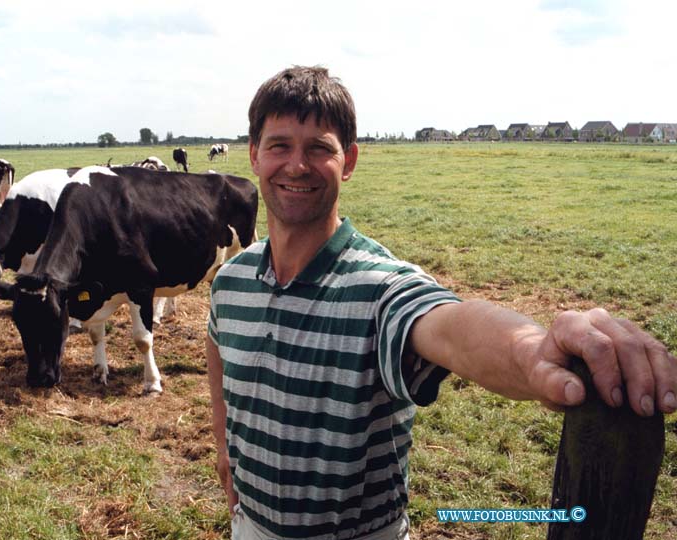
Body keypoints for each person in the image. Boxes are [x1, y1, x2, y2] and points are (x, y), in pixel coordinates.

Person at [206, 65, 676, 540]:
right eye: (279, 145)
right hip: (249, 526)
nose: (297, 165)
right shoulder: (231, 281)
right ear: (254, 155)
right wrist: (224, 446)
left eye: (319, 148)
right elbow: (217, 341)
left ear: (348, 161)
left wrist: (534, 353)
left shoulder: (379, 288)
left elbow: (448, 325)